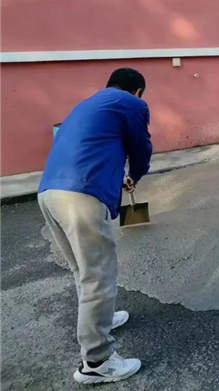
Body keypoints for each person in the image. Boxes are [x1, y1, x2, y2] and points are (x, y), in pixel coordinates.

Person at [38, 68, 152, 384]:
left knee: (83, 271)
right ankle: (97, 362)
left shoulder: (88, 105)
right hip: (81, 196)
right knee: (99, 276)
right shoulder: (132, 103)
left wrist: (118, 178)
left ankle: (102, 320)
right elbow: (140, 148)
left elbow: (93, 150)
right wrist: (137, 174)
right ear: (138, 91)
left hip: (49, 192)